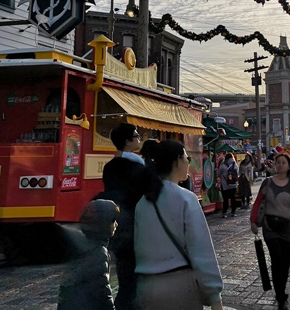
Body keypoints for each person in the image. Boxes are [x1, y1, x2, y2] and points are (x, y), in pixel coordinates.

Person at [134, 140, 224, 310]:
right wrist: (214, 295)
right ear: (176, 161)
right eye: (186, 157)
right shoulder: (186, 198)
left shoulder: (143, 202)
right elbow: (201, 249)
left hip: (145, 287)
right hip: (179, 286)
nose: (188, 162)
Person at [97, 123, 151, 310]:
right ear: (128, 142)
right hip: (137, 227)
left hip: (118, 226)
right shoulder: (138, 166)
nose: (139, 139)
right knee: (136, 279)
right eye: (136, 136)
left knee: (125, 275)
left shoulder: (110, 166)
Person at [250, 152, 290, 310]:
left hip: (287, 227)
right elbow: (258, 202)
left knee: (285, 262)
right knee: (276, 258)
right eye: (277, 162)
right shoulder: (267, 182)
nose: (280, 165)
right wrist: (253, 221)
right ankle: (280, 295)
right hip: (270, 227)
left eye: (283, 162)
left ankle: (282, 290)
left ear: (289, 166)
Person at [58, 199, 120, 310]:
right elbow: (101, 291)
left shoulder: (80, 244)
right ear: (104, 224)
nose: (116, 224)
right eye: (113, 220)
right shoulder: (98, 253)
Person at [217, 153, 240, 217]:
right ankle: (233, 212)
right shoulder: (235, 165)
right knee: (233, 198)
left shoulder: (223, 165)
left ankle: (224, 212)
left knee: (225, 199)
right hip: (233, 185)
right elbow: (237, 174)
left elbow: (218, 174)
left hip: (225, 185)